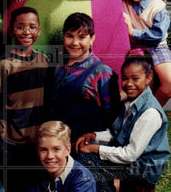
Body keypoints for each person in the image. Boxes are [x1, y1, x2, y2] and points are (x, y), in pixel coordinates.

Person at [76, 49, 171, 192]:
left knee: (85, 158)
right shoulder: (129, 102)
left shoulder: (150, 112)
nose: (129, 84)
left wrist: (96, 149)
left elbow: (130, 154)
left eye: (135, 78)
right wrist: (93, 136)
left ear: (148, 78)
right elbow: (116, 133)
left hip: (143, 168)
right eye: (125, 79)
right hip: (132, 156)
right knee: (82, 151)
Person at [0, 6, 49, 192]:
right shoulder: (3, 64)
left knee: (34, 189)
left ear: (38, 31)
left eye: (32, 27)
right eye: (20, 27)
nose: (26, 32)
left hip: (36, 139)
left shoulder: (44, 61)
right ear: (12, 30)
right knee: (10, 191)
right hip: (10, 140)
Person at [48, 12, 121, 144]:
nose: (75, 43)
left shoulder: (102, 73)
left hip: (82, 146)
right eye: (69, 36)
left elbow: (113, 119)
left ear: (92, 38)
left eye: (82, 37)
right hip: (55, 143)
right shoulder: (56, 63)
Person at [122, 0, 171, 107]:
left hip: (157, 46)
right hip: (134, 46)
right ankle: (130, 110)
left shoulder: (158, 6)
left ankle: (152, 109)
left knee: (170, 81)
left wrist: (133, 32)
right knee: (135, 81)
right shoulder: (124, 4)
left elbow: (158, 35)